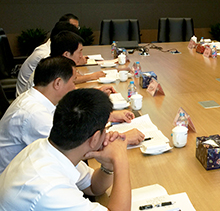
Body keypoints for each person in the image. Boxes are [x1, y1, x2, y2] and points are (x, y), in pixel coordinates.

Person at [0, 88, 131, 211]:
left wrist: (108, 166)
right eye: (105, 128)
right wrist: (120, 158)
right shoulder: (50, 188)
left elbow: (93, 186)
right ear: (95, 138)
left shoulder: (49, 149)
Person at [0, 57, 143, 174]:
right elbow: (75, 145)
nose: (74, 87)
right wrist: (122, 139)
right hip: (25, 179)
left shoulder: (38, 98)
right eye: (73, 82)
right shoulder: (34, 114)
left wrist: (107, 116)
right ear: (57, 83)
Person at [16, 18, 80, 96]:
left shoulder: (54, 54)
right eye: (79, 52)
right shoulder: (46, 57)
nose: (81, 56)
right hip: (26, 96)